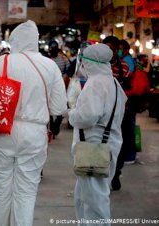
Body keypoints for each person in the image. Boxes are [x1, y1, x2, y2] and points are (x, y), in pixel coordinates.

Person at [0, 20, 67, 226]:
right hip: (34, 133)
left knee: (0, 192)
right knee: (26, 192)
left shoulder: (3, 62)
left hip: (1, 130)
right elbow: (59, 108)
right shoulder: (50, 66)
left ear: (14, 41)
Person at [68, 43, 127, 225]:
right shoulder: (114, 83)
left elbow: (88, 116)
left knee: (94, 201)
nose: (83, 66)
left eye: (84, 62)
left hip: (93, 148)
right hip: (106, 145)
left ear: (91, 63)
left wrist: (71, 114)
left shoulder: (96, 83)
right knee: (86, 195)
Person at [102, 36, 135, 191]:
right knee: (103, 143)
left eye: (113, 49)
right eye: (107, 49)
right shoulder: (98, 66)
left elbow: (127, 88)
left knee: (122, 143)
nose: (111, 52)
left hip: (120, 112)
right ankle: (104, 174)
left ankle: (116, 173)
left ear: (118, 50)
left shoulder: (124, 67)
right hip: (102, 112)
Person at [47, 40, 70, 138]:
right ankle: (52, 126)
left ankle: (56, 126)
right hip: (48, 87)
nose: (53, 50)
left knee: (61, 107)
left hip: (60, 87)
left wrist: (64, 80)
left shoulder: (64, 60)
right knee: (49, 107)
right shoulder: (46, 60)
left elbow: (68, 71)